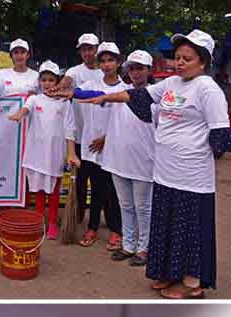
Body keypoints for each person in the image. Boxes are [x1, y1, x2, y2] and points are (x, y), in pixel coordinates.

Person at [70, 30, 231, 298]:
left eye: (187, 58)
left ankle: (193, 284)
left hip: (192, 177)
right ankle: (170, 273)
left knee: (189, 229)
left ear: (203, 62)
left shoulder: (208, 89)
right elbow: (139, 97)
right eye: (177, 57)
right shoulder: (171, 84)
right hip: (165, 173)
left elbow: (221, 134)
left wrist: (191, 151)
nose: (179, 62)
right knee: (167, 225)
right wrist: (103, 97)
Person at [9, 61, 79, 240]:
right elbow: (26, 108)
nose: (47, 83)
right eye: (44, 80)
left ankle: (53, 223)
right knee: (38, 190)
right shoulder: (34, 99)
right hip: (35, 153)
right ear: (39, 81)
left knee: (53, 191)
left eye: (51, 80)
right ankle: (40, 221)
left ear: (57, 81)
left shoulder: (64, 103)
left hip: (54, 153)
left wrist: (71, 153)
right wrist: (19, 114)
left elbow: (70, 129)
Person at [100, 50, 156, 265]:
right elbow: (93, 94)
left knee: (143, 207)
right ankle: (129, 244)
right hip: (119, 160)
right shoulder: (120, 92)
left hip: (144, 161)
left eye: (140, 68)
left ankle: (144, 248)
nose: (135, 72)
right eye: (132, 68)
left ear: (148, 70)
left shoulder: (156, 95)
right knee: (126, 205)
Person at [77, 42, 126, 250]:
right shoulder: (91, 85)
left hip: (113, 148)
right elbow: (76, 93)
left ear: (118, 61)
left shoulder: (126, 89)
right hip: (92, 149)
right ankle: (93, 228)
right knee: (96, 190)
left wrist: (106, 139)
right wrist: (60, 89)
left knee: (113, 191)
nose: (106, 65)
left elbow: (125, 122)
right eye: (103, 61)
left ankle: (116, 230)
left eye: (110, 60)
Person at [65, 33, 104, 231]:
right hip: (79, 135)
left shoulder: (105, 72)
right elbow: (67, 81)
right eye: (84, 49)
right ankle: (77, 215)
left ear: (97, 49)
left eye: (91, 48)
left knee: (99, 182)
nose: (88, 53)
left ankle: (96, 221)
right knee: (79, 181)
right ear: (80, 52)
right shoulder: (74, 71)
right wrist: (62, 85)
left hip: (99, 138)